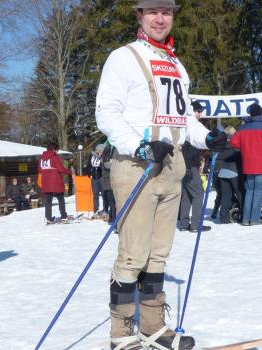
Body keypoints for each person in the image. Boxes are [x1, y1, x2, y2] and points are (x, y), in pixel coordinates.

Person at [95, 1, 225, 349]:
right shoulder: (123, 57)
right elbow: (106, 113)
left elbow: (183, 120)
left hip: (173, 166)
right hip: (138, 166)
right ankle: (121, 334)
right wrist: (137, 145)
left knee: (158, 253)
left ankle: (153, 326)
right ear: (139, 15)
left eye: (166, 13)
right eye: (152, 12)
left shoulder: (175, 64)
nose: (159, 19)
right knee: (133, 254)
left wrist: (206, 137)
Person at [230, 103, 262, 226]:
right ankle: (254, 219)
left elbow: (233, 142)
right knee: (258, 191)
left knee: (249, 191)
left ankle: (246, 219)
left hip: (248, 164)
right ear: (261, 113)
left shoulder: (242, 128)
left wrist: (244, 148)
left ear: (250, 114)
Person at [179, 101, 211, 232]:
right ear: (194, 111)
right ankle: (196, 224)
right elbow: (191, 148)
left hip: (182, 165)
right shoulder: (192, 125)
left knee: (186, 193)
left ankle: (183, 223)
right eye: (199, 112)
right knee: (199, 193)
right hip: (189, 165)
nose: (200, 115)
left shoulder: (181, 123)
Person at [38, 142, 73, 224]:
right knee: (60, 198)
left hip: (46, 182)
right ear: (54, 149)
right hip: (55, 182)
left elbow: (40, 170)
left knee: (48, 201)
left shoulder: (41, 158)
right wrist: (70, 172)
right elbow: (61, 169)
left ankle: (49, 218)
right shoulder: (54, 157)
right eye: (57, 150)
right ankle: (64, 216)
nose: (57, 152)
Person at [217, 126, 244, 224]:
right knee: (240, 193)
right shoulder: (235, 145)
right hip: (234, 172)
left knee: (226, 196)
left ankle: (223, 218)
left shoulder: (220, 146)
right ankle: (243, 215)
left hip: (222, 172)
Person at [85, 143, 107, 218]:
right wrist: (89, 173)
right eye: (96, 149)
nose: (97, 151)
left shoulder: (102, 155)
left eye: (98, 149)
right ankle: (95, 210)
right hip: (94, 177)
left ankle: (105, 210)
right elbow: (88, 165)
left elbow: (105, 165)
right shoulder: (91, 156)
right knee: (95, 195)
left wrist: (101, 158)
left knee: (104, 195)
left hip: (101, 177)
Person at [102, 141, 116, 224]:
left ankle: (112, 218)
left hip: (108, 180)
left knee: (112, 202)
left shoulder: (108, 150)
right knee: (112, 202)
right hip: (109, 181)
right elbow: (107, 165)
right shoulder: (108, 151)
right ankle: (114, 220)